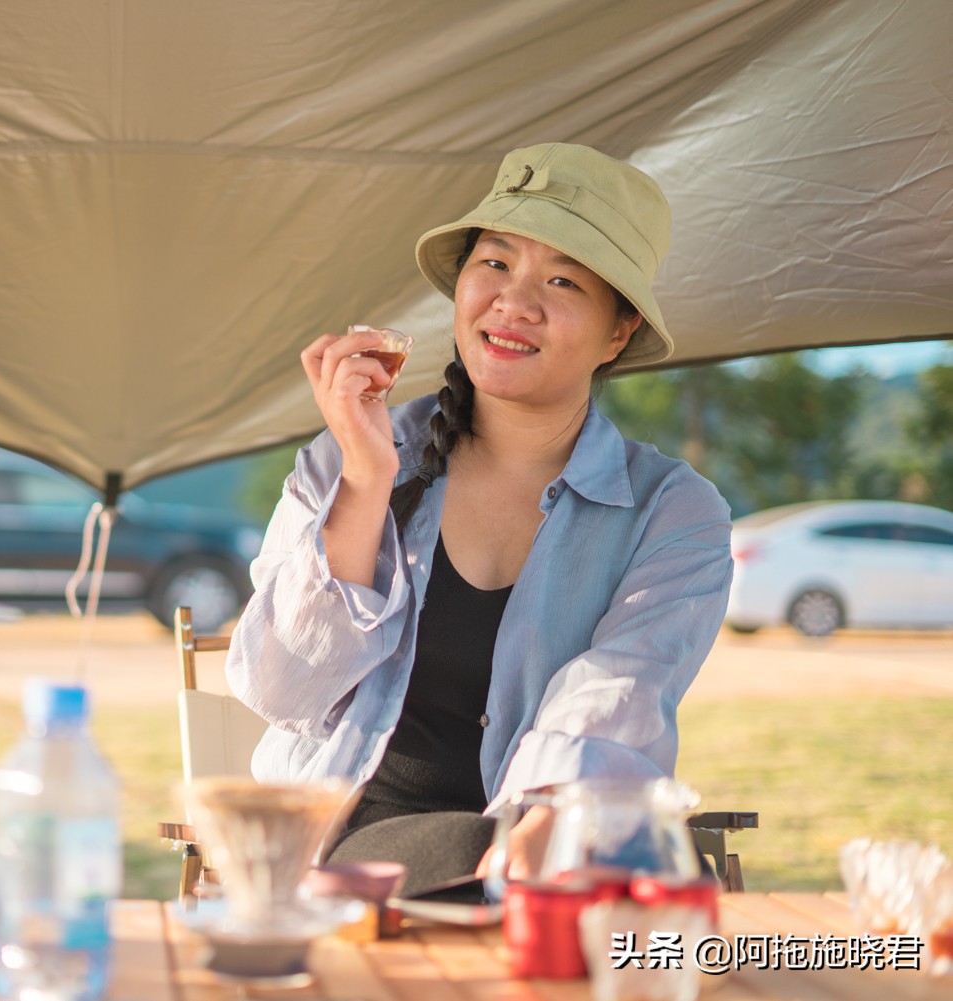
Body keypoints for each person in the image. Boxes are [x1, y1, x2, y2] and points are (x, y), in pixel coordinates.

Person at [223, 143, 733, 898]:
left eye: (562, 279)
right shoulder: (348, 461)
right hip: (357, 847)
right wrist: (366, 482)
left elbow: (620, 687)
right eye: (495, 263)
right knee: (481, 857)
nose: (514, 302)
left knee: (661, 877)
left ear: (618, 331)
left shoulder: (672, 510)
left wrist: (550, 813)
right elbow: (280, 688)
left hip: (554, 836)